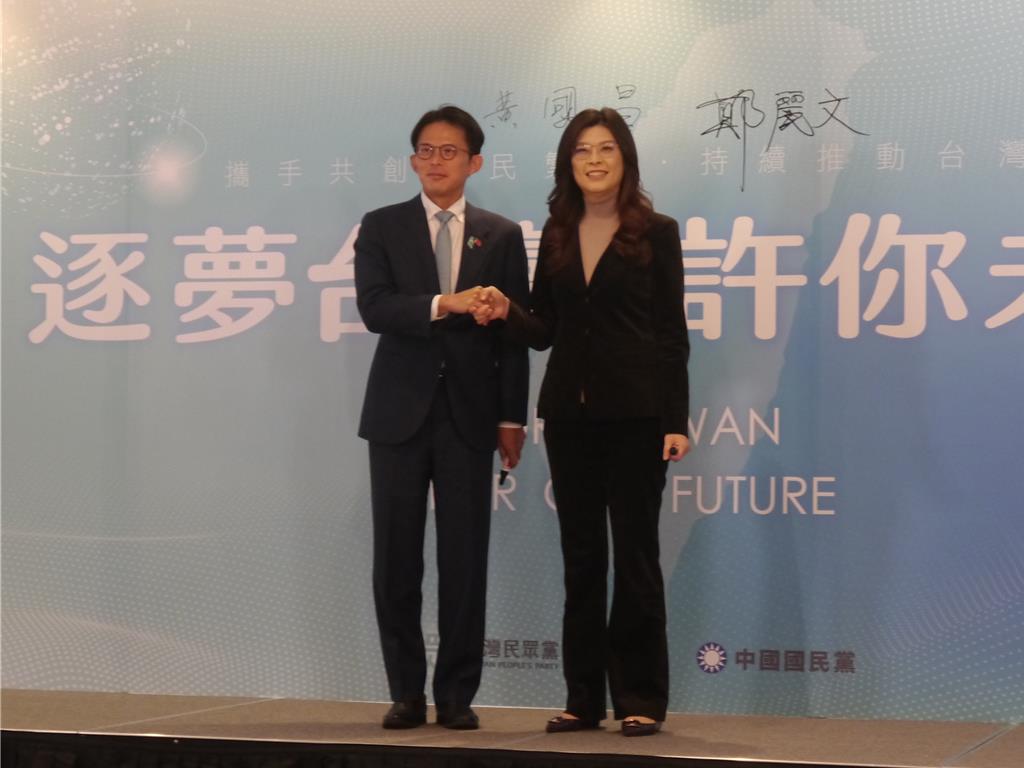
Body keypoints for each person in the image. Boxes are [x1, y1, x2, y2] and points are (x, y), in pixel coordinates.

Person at [471, 107, 690, 737]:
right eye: (581, 151)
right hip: (570, 418)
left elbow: (671, 334)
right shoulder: (558, 232)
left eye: (606, 149)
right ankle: (583, 700)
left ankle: (641, 697)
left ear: (626, 159)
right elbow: (544, 329)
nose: (594, 160)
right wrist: (506, 310)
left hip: (638, 417)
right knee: (582, 559)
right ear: (568, 164)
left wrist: (675, 419)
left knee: (637, 558)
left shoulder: (657, 232)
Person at [354, 105, 529, 731]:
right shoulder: (382, 226)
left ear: (474, 162)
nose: (436, 161)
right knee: (395, 560)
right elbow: (375, 309)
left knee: (464, 559)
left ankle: (456, 694)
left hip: (470, 416)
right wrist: (442, 304)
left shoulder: (501, 234)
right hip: (397, 415)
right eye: (426, 150)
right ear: (412, 160)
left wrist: (511, 418)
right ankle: (405, 692)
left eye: (449, 151)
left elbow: (513, 336)